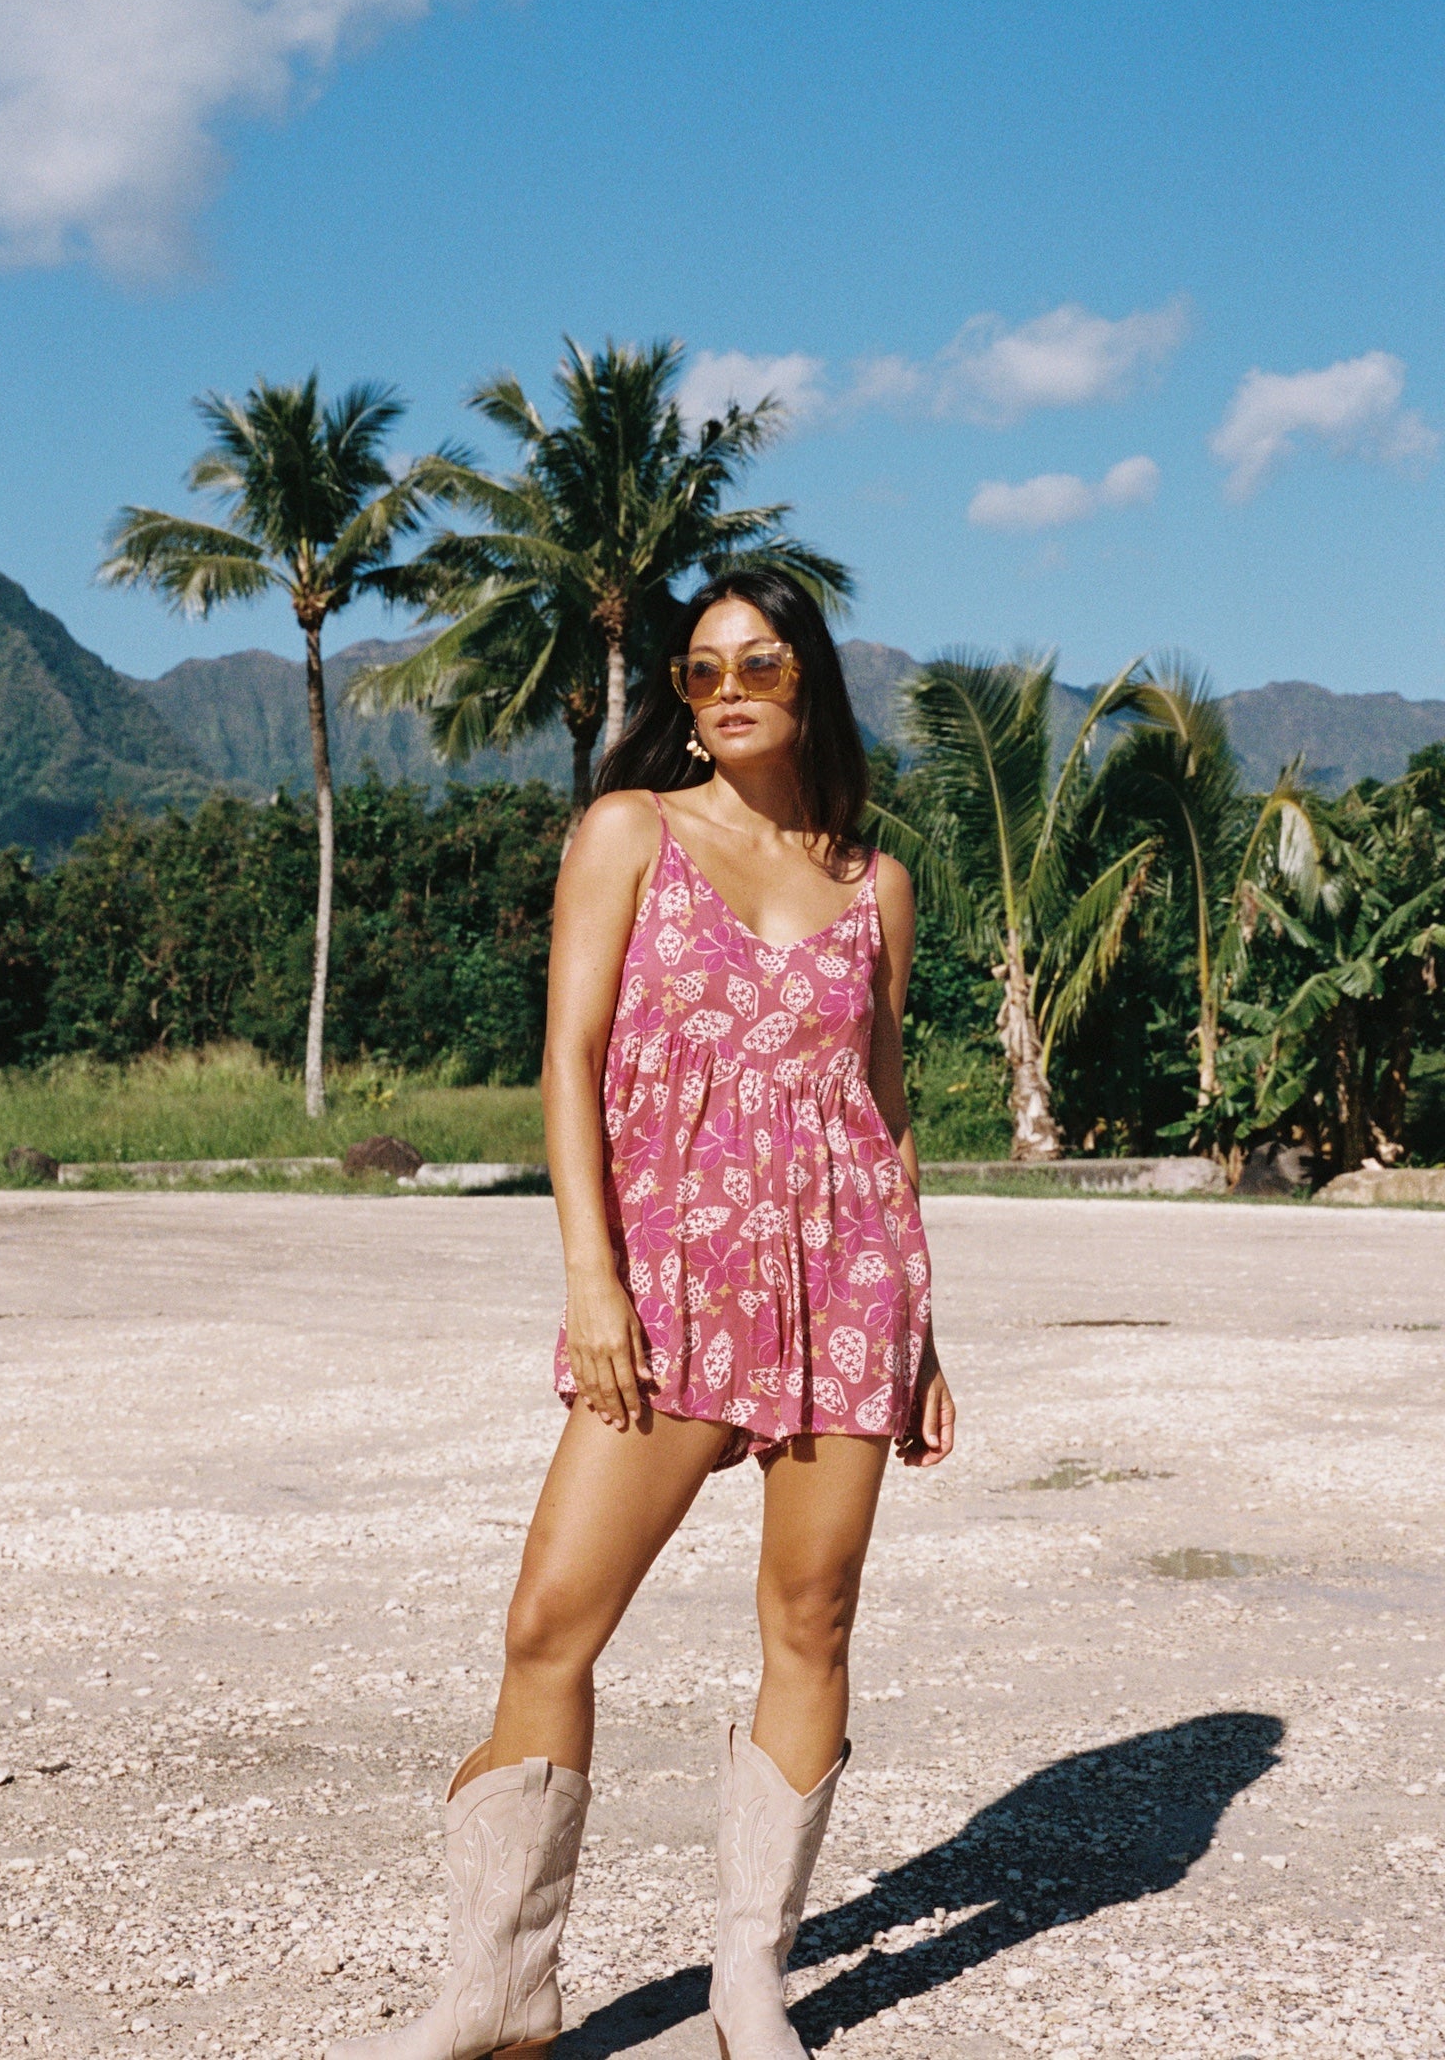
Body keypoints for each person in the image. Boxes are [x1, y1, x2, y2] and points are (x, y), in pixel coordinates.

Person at [329, 569, 956, 2060]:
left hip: (843, 1276)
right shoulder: (631, 833)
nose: (726, 687)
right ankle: (496, 1994)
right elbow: (571, 1059)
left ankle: (751, 1980)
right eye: (698, 670)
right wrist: (592, 1278)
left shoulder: (878, 883)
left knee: (813, 1617)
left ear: (812, 680)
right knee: (550, 1623)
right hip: (669, 1280)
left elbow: (887, 1110)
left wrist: (922, 1317)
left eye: (757, 662)